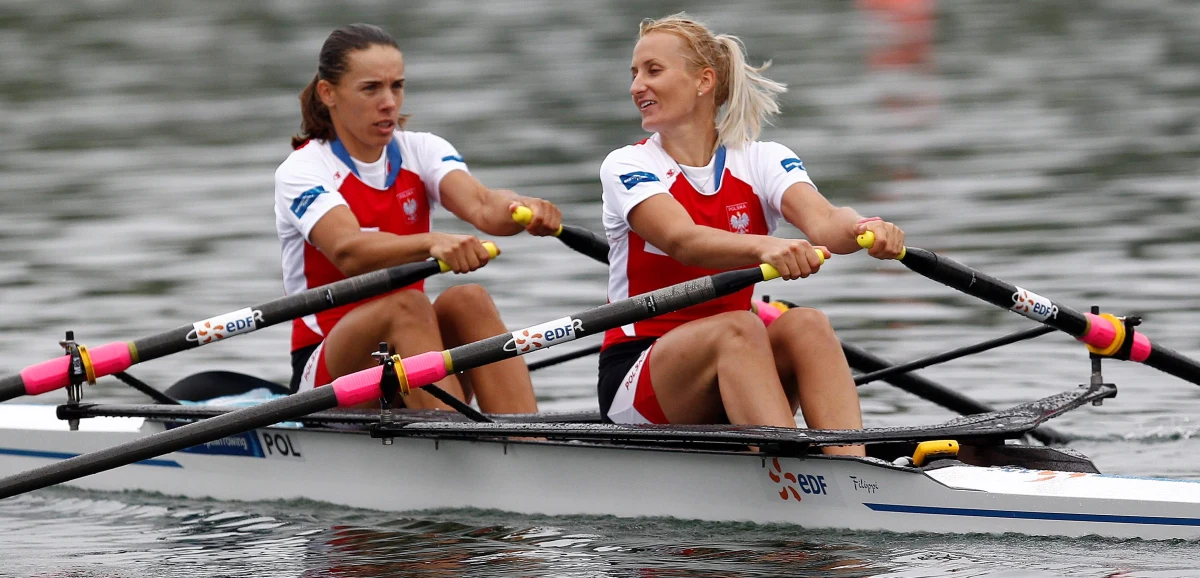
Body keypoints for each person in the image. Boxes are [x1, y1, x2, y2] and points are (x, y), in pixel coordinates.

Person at [597, 14, 906, 456]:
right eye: (635, 74)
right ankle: (793, 474)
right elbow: (682, 240)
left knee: (807, 324)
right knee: (739, 328)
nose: (636, 86)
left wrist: (865, 229)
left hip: (739, 361)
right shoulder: (627, 165)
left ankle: (851, 470)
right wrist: (768, 246)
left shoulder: (761, 159)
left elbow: (825, 223)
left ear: (704, 81)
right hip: (639, 378)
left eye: (653, 70)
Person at [274, 23, 562, 412]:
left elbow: (482, 205)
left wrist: (521, 209)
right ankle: (457, 443)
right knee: (406, 306)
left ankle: (529, 444)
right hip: (327, 371)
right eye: (371, 88)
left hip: (410, 358)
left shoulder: (422, 151)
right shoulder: (304, 169)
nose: (389, 102)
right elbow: (348, 250)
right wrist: (430, 242)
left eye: (397, 86)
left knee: (468, 299)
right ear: (328, 93)